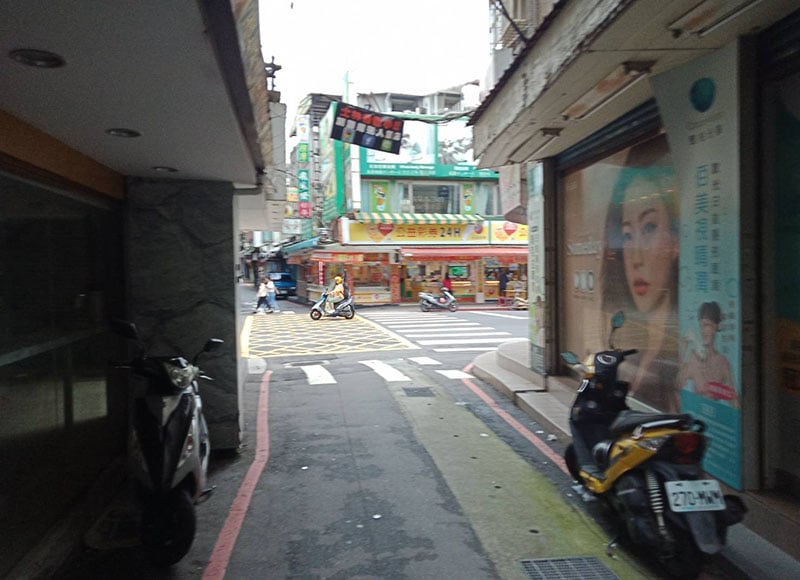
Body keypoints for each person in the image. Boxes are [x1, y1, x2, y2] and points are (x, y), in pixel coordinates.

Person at [602, 160, 680, 412]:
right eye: (627, 235)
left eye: (649, 227)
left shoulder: (682, 361)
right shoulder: (635, 349)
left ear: (676, 241)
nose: (635, 257)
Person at [677, 301, 738, 408]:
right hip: (696, 413)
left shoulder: (722, 362)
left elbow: (733, 398)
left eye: (707, 325)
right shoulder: (694, 357)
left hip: (716, 415)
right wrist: (684, 349)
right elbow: (678, 384)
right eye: (701, 326)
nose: (703, 331)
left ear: (716, 327)